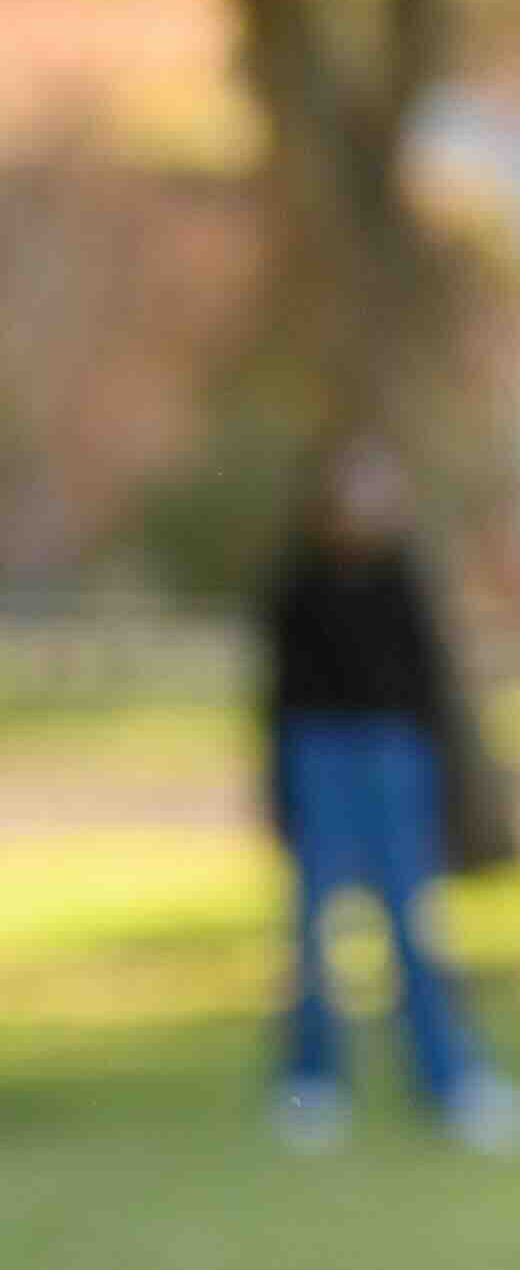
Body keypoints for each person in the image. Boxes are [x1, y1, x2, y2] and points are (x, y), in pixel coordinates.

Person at [258, 444, 513, 1150]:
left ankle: (448, 1078)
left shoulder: (405, 580)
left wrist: (453, 790)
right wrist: (280, 790)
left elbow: (431, 690)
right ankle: (311, 1080)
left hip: (396, 757)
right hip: (320, 756)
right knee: (315, 926)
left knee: (412, 921)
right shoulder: (300, 582)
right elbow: (278, 696)